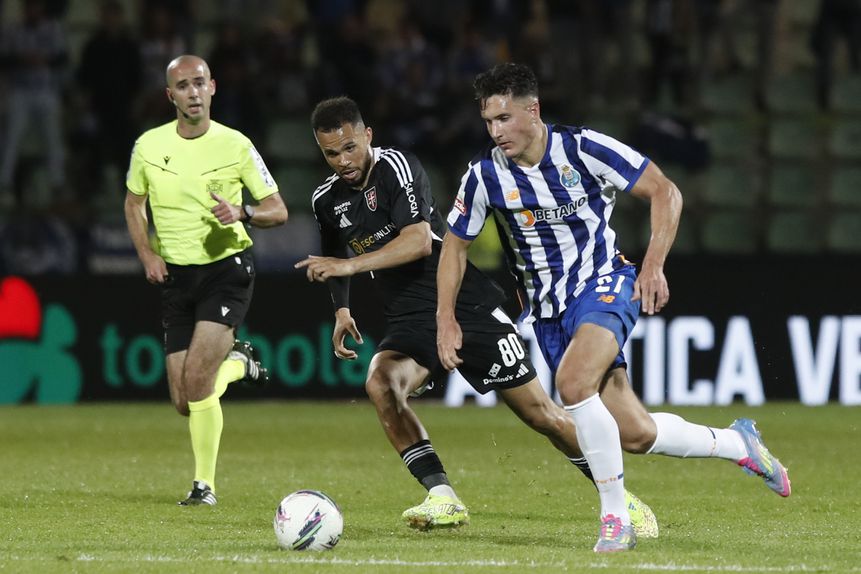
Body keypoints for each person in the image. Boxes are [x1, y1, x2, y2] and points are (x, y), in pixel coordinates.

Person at [437, 63, 791, 553]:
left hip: (605, 282)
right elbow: (454, 246)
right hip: (548, 313)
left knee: (573, 384)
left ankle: (614, 518)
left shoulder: (584, 148)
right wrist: (445, 318)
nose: (496, 132)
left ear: (532, 110)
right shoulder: (483, 176)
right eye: (488, 122)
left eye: (504, 118)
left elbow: (665, 190)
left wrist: (653, 265)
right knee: (635, 433)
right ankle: (739, 445)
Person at [295, 96, 660, 536]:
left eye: (349, 148)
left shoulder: (397, 168)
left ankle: (619, 498)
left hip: (463, 303)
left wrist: (350, 267)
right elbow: (332, 254)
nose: (343, 161)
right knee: (381, 381)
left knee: (540, 414)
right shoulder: (325, 199)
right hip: (410, 315)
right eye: (331, 154)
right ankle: (442, 496)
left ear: (367, 135)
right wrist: (342, 308)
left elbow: (417, 241)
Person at [124, 54, 288, 506]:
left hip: (227, 271)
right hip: (177, 277)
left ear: (213, 87)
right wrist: (147, 253)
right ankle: (239, 364)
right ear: (170, 95)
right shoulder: (149, 148)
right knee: (183, 400)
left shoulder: (235, 145)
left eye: (199, 83)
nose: (193, 92)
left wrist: (243, 212)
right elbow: (133, 204)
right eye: (183, 85)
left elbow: (279, 209)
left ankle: (204, 487)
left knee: (198, 385)